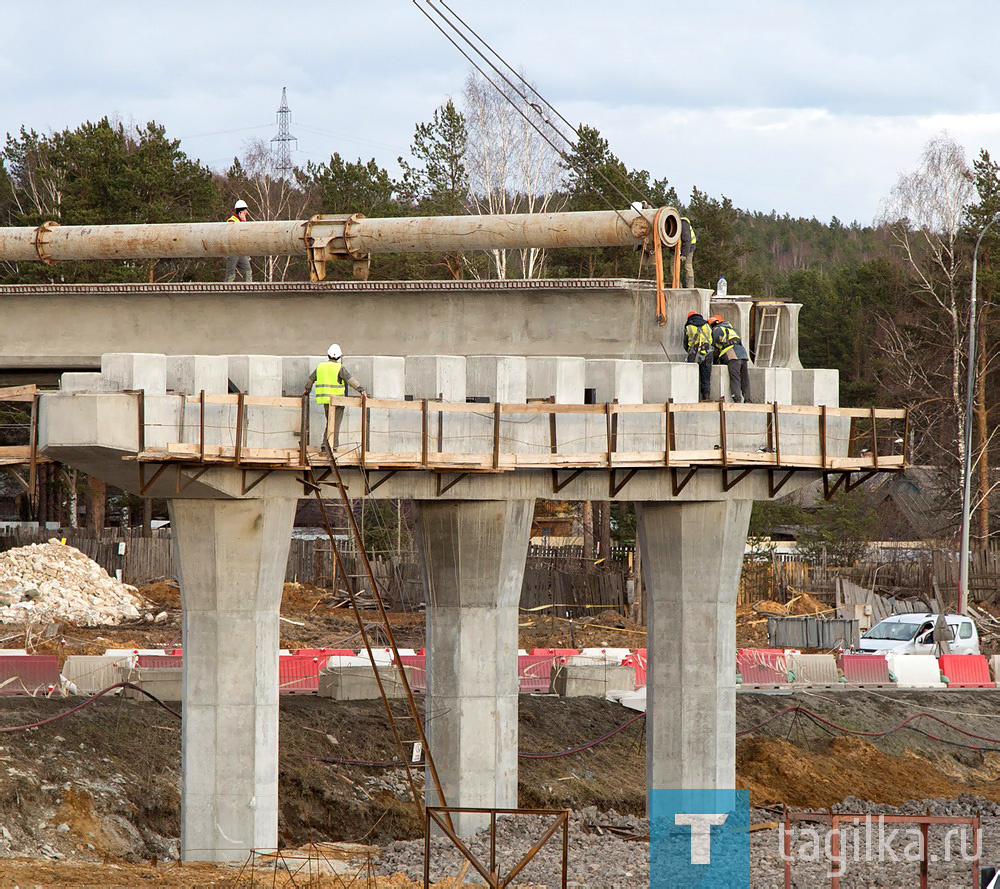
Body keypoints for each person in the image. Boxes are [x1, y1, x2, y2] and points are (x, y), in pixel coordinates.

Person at [302, 344, 368, 453]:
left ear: (328, 355)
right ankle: (330, 447)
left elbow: (310, 380)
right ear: (339, 356)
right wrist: (362, 390)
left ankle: (326, 445)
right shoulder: (339, 368)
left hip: (325, 400)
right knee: (335, 424)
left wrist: (307, 390)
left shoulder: (321, 367)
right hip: (337, 401)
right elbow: (350, 380)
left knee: (330, 423)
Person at [709, 315, 753, 403]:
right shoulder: (731, 329)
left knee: (735, 378)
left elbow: (711, 342)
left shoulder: (717, 330)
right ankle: (748, 400)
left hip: (732, 354)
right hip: (743, 354)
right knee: (744, 379)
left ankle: (737, 400)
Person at [683, 310, 714, 402]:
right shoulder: (707, 325)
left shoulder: (689, 326)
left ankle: (691, 397)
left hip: (694, 353)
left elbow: (685, 343)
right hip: (707, 353)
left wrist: (689, 351)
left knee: (692, 376)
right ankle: (706, 397)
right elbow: (712, 340)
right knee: (706, 377)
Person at [224, 199, 253, 282]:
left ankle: (248, 291)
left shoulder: (241, 221)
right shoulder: (232, 221)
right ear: (240, 212)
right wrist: (243, 221)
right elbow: (238, 234)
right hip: (233, 251)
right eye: (244, 211)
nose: (246, 213)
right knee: (231, 274)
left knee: (248, 272)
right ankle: (225, 292)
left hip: (241, 251)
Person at [680, 216, 696, 288]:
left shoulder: (683, 224)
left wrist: (684, 255)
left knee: (687, 265)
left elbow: (687, 241)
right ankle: (676, 285)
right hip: (679, 247)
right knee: (673, 265)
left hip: (689, 247)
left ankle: (690, 286)